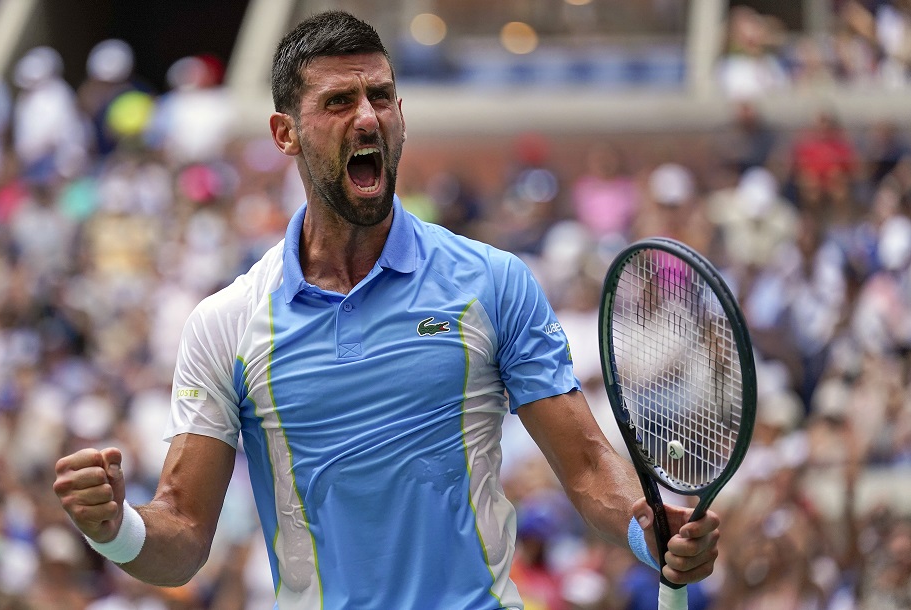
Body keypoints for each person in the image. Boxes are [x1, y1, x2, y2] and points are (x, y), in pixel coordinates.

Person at [53, 11, 721, 609]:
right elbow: (184, 534)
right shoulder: (226, 323)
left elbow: (585, 469)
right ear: (285, 134)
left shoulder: (493, 283)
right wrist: (117, 529)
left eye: (380, 96)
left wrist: (647, 528)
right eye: (338, 101)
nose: (367, 117)